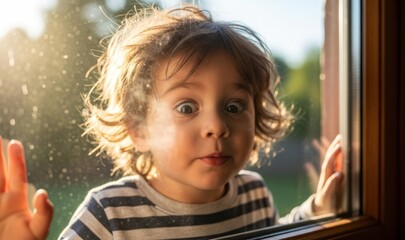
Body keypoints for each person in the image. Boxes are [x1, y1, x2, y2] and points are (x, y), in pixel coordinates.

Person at [0, 5, 343, 240]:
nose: (217, 126)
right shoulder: (109, 214)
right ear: (138, 128)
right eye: (187, 107)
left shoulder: (253, 194)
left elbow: (277, 231)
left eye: (235, 106)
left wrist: (319, 210)